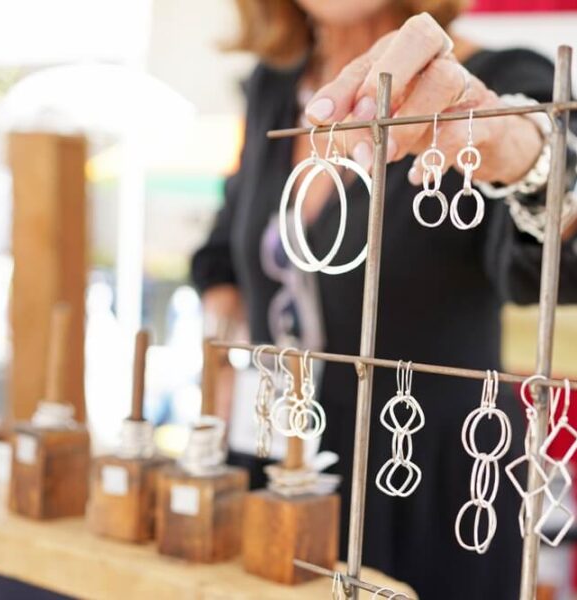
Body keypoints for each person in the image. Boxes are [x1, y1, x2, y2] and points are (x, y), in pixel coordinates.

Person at [192, 2, 577, 598]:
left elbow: (556, 256)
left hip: (430, 484)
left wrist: (521, 154)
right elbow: (226, 245)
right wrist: (221, 352)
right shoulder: (275, 85)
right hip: (278, 459)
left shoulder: (501, 79)